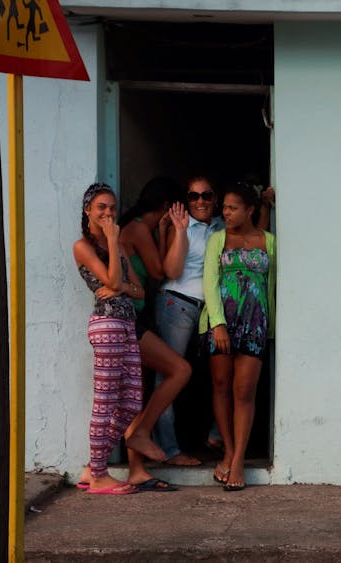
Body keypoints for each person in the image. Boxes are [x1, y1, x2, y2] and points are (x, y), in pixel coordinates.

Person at [156, 176, 274, 458]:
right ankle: (169, 449)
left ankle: (217, 437)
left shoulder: (223, 226)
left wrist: (265, 206)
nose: (200, 202)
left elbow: (255, 246)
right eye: (193, 196)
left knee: (215, 381)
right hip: (180, 304)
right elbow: (171, 271)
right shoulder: (183, 226)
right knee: (172, 374)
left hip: (213, 311)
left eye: (206, 196)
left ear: (215, 198)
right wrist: (180, 231)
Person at [73, 183, 159, 494]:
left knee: (132, 401)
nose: (108, 213)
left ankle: (91, 467)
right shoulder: (83, 247)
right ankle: (98, 475)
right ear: (88, 212)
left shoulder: (119, 247)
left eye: (112, 207)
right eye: (101, 208)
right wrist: (111, 240)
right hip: (106, 324)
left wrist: (121, 285)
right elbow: (110, 279)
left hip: (126, 324)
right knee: (106, 402)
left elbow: (140, 291)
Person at [117, 177, 200, 484]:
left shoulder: (146, 229)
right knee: (179, 370)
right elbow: (159, 271)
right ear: (168, 206)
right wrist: (172, 230)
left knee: (137, 393)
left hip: (134, 318)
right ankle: (140, 432)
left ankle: (136, 469)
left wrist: (164, 231)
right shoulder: (139, 228)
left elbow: (160, 268)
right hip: (127, 320)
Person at [199, 182, 276, 491]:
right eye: (225, 208)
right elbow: (210, 280)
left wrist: (269, 326)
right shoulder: (218, 239)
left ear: (249, 210)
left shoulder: (267, 241)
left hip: (255, 322)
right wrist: (217, 323)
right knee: (221, 387)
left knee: (244, 391)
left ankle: (239, 459)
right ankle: (229, 451)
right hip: (223, 322)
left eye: (232, 208)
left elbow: (271, 284)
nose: (226, 213)